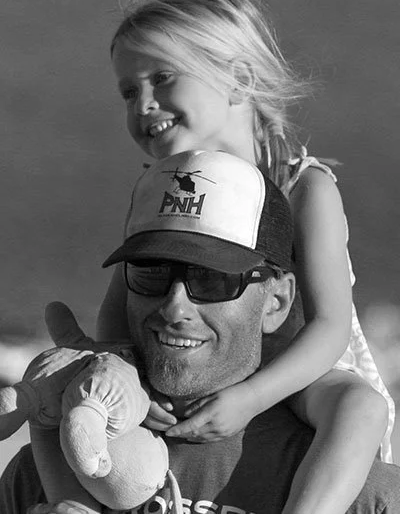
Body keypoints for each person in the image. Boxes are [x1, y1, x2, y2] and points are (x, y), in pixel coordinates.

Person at [0, 0, 395, 513]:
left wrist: (251, 398)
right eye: (128, 92)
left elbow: (329, 328)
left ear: (240, 80)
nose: (144, 104)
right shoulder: (158, 187)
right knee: (72, 402)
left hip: (294, 371)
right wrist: (132, 378)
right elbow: (121, 307)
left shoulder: (303, 186)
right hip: (184, 362)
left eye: (162, 78)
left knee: (359, 408)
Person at [1, 150, 400, 514]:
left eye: (212, 279)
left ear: (276, 302)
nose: (174, 307)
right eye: (151, 272)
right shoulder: (45, 474)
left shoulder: (364, 498)